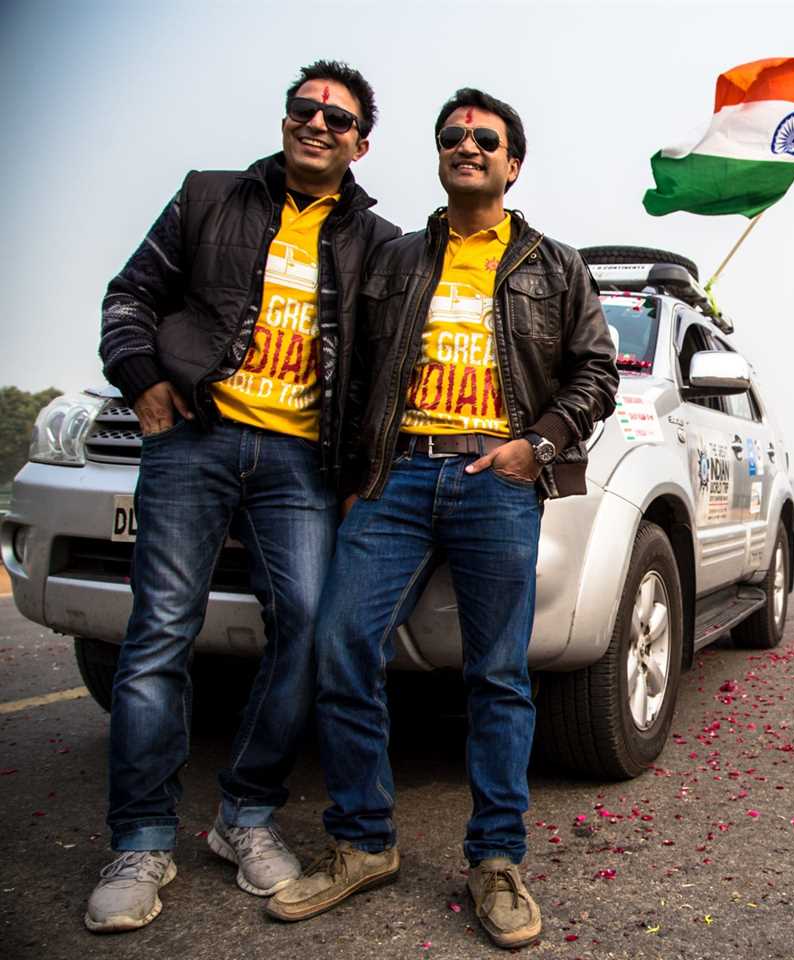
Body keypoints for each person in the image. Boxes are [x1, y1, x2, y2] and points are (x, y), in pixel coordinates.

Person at [264, 89, 618, 949]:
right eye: (453, 135)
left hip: (496, 476)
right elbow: (351, 371)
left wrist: (538, 444)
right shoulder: (392, 258)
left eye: (485, 138)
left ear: (513, 162)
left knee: (497, 675)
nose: (468, 146)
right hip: (397, 479)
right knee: (342, 646)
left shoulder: (554, 264)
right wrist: (356, 475)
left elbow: (595, 373)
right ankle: (362, 842)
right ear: (438, 153)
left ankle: (497, 860)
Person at [86, 62, 399, 933]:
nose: (318, 125)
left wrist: (360, 477)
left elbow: (386, 365)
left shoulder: (377, 241)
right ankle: (142, 838)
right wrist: (142, 377)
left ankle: (246, 815)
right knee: (159, 633)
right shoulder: (208, 196)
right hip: (195, 439)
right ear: (287, 117)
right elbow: (129, 297)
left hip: (301, 462)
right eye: (306, 109)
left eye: (338, 120)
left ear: (360, 144)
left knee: (306, 627)